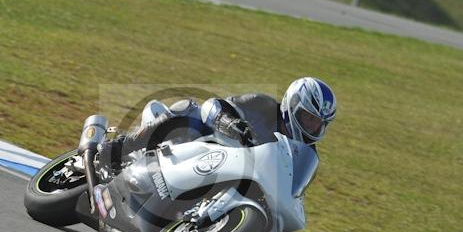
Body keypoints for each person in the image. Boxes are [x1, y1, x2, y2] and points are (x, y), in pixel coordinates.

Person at [97, 77, 337, 169]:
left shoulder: (305, 153)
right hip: (207, 144)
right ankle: (118, 147)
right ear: (292, 106)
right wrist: (233, 126)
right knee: (189, 110)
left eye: (318, 123)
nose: (312, 127)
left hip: (231, 173)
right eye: (308, 118)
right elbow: (214, 106)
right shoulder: (262, 105)